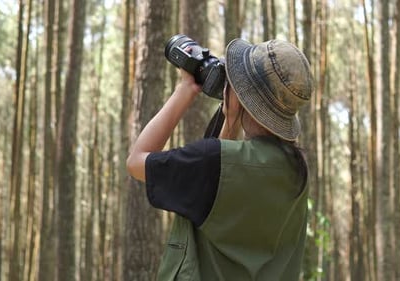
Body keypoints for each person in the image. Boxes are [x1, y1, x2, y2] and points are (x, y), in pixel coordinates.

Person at [127, 38, 314, 280]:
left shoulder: (211, 162)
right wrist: (232, 118)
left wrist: (185, 89)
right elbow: (223, 186)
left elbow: (136, 161)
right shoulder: (295, 171)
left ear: (244, 98)